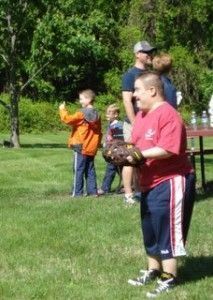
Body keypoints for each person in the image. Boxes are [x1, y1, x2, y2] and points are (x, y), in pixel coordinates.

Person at [127, 71, 195, 297]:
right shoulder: (142, 116)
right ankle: (153, 270)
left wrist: (138, 155)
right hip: (149, 182)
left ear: (152, 90)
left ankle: (170, 276)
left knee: (167, 229)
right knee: (150, 229)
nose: (134, 95)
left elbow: (168, 149)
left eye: (137, 90)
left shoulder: (168, 114)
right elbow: (135, 145)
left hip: (171, 180)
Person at [122, 41, 156, 204]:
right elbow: (127, 101)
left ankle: (141, 190)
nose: (150, 55)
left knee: (143, 158)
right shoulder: (130, 75)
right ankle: (128, 195)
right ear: (137, 54)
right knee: (130, 158)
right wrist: (135, 123)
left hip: (148, 122)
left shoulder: (150, 74)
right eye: (146, 52)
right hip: (133, 123)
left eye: (151, 52)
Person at [59, 89, 102, 197]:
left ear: (89, 99)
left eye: (82, 99)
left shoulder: (82, 113)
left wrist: (62, 109)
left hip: (80, 146)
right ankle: (93, 192)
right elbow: (99, 131)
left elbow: (67, 119)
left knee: (78, 169)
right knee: (90, 170)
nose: (80, 101)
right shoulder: (97, 114)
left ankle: (77, 193)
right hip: (91, 147)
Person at [98, 104, 124, 195]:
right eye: (106, 113)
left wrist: (115, 151)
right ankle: (128, 185)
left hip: (116, 152)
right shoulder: (110, 124)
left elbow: (120, 140)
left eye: (109, 113)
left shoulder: (118, 125)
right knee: (119, 170)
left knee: (111, 169)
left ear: (116, 114)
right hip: (110, 151)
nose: (107, 115)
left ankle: (105, 188)